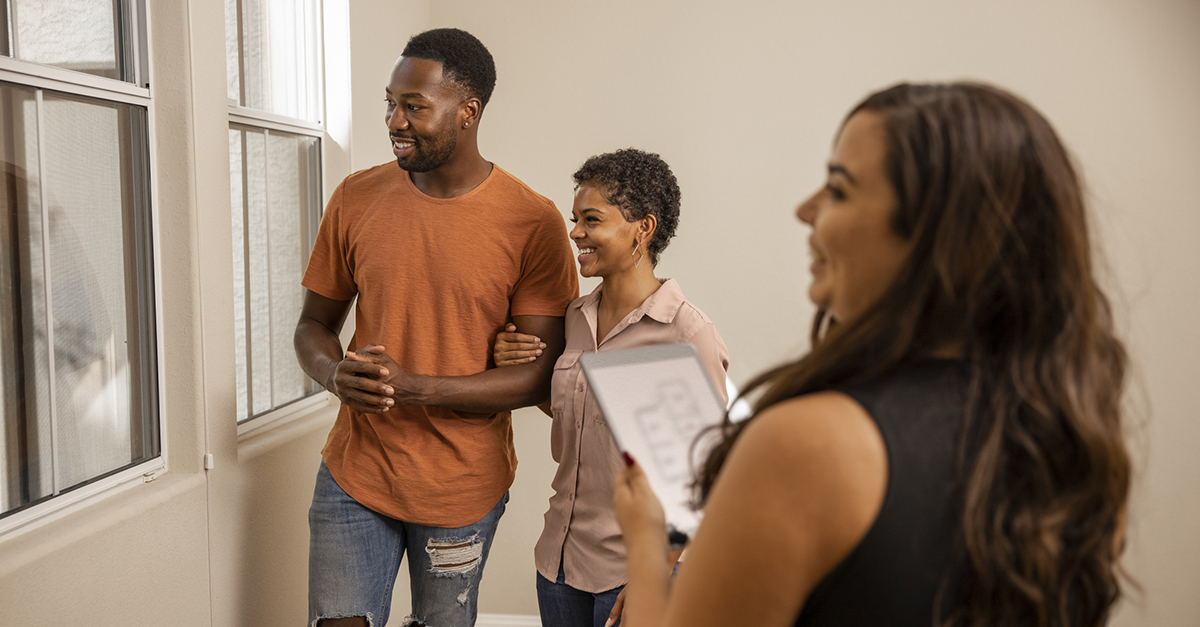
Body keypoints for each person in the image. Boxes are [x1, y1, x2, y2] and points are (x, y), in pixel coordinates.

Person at [613, 82, 1132, 627]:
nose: (804, 209)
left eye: (838, 189)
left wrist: (648, 542)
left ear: (938, 236)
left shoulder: (806, 445)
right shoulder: (1075, 440)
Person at [294, 28, 579, 627]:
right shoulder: (355, 197)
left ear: (468, 111)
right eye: (390, 103)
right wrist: (332, 374)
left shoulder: (533, 221)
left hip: (461, 489)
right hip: (355, 473)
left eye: (415, 107)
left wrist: (414, 386)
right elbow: (313, 327)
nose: (395, 120)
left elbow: (539, 380)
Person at [492, 149, 729, 627]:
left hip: (632, 573)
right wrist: (511, 362)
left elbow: (707, 477)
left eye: (591, 219)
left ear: (643, 228)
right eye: (575, 218)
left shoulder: (685, 332)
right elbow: (576, 413)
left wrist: (655, 576)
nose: (575, 232)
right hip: (558, 560)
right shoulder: (574, 318)